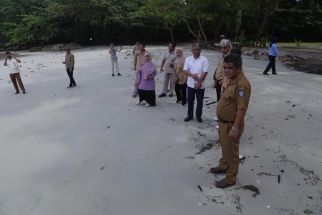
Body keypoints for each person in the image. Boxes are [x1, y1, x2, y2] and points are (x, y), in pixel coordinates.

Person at [211, 54, 251, 189]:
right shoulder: (230, 80)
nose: (227, 71)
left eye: (230, 68)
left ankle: (230, 178)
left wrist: (235, 128)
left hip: (231, 125)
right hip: (223, 123)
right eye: (225, 67)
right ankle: (223, 166)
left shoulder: (242, 85)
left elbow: (242, 108)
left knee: (232, 152)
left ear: (239, 68)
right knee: (225, 147)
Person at [183, 44, 209, 123]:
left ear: (200, 50)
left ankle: (198, 116)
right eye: (195, 50)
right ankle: (190, 115)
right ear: (192, 51)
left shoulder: (204, 59)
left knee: (199, 101)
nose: (196, 51)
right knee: (190, 100)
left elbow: (205, 72)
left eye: (198, 50)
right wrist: (192, 75)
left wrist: (199, 82)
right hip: (190, 84)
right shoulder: (188, 59)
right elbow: (185, 70)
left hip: (200, 84)